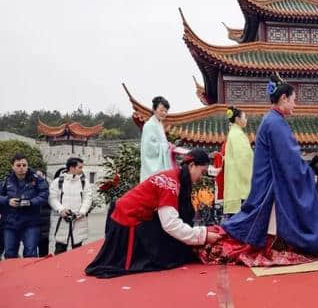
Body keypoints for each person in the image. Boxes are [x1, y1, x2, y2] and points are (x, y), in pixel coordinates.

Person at [199, 74, 318, 267]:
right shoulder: (276, 123)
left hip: (268, 181)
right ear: (284, 98)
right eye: (294, 100)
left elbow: (287, 156)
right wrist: (310, 168)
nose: (295, 105)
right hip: (273, 184)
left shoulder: (272, 120)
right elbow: (289, 160)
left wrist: (307, 164)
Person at [85, 148, 220, 278]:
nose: (201, 177)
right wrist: (203, 235)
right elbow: (171, 225)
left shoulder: (175, 178)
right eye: (202, 172)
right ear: (192, 165)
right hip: (127, 221)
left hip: (139, 217)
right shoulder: (170, 183)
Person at [0, 153, 49, 258]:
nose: (21, 168)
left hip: (31, 223)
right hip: (10, 223)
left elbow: (44, 195)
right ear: (12, 166)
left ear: (27, 165)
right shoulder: (6, 180)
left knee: (30, 253)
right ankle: (12, 274)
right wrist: (8, 201)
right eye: (18, 165)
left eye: (24, 165)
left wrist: (31, 202)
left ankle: (29, 274)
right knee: (9, 253)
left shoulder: (37, 179)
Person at [49, 158, 93, 254]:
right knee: (60, 248)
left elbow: (88, 198)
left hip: (78, 219)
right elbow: (52, 198)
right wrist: (61, 209)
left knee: (77, 248)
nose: (82, 170)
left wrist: (82, 212)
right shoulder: (57, 182)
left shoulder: (84, 182)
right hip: (62, 219)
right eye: (79, 167)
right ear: (72, 168)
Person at [222, 106, 253, 216]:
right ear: (237, 119)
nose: (246, 120)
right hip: (241, 188)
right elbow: (244, 160)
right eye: (245, 117)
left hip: (235, 186)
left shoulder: (234, 133)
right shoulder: (238, 135)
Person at [140, 96, 172, 181]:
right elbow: (149, 149)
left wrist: (167, 145)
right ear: (154, 110)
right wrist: (166, 147)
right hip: (152, 169)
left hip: (160, 167)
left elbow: (160, 143)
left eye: (166, 111)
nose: (164, 113)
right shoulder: (150, 125)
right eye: (161, 110)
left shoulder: (159, 124)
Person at [36, 169, 52, 257]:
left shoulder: (49, 188)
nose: (38, 177)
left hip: (45, 219)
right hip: (34, 220)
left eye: (40, 175)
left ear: (44, 176)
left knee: (44, 243)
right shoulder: (32, 187)